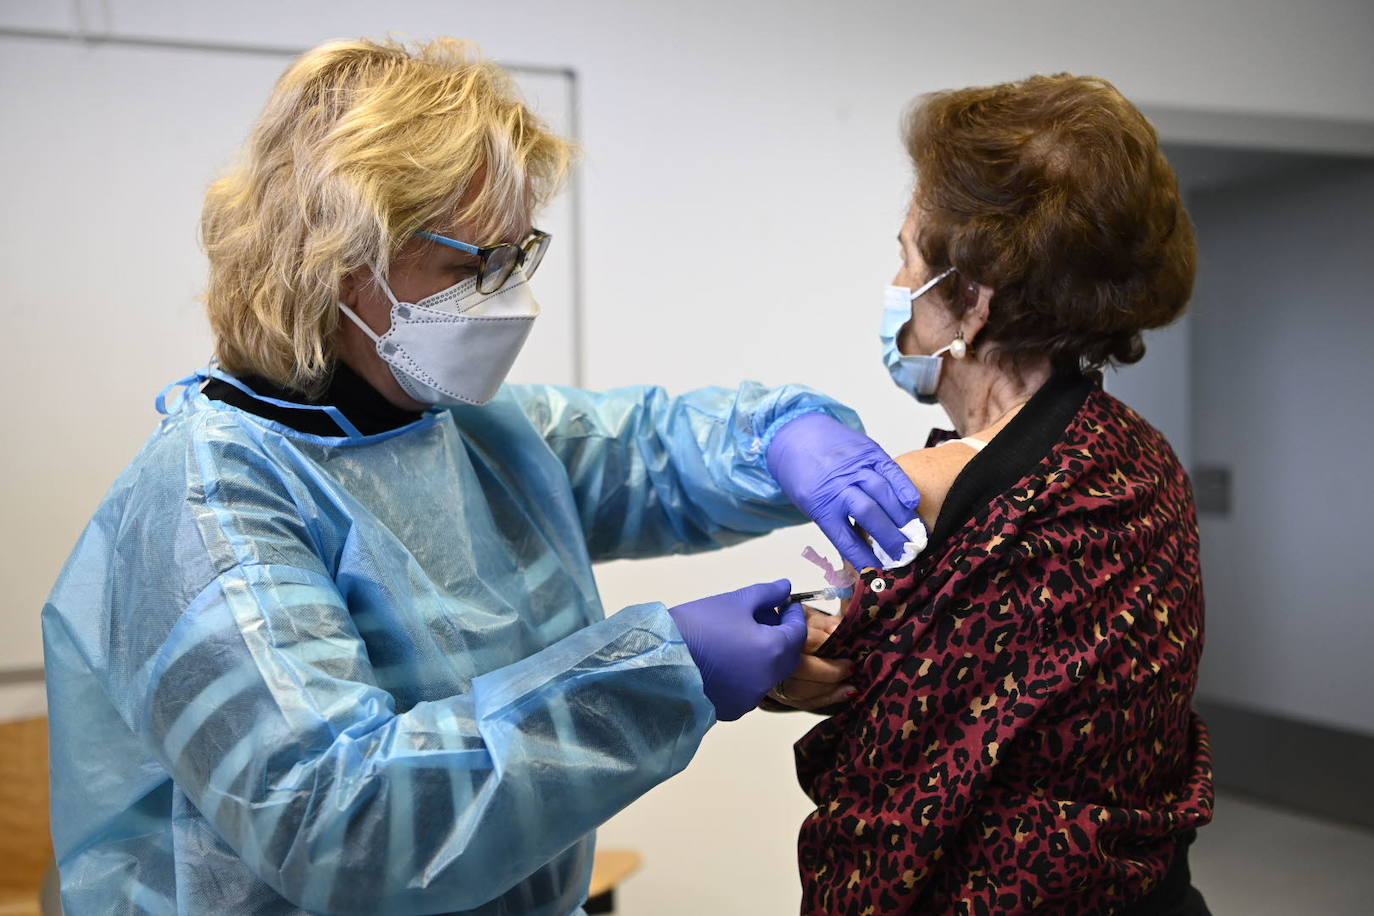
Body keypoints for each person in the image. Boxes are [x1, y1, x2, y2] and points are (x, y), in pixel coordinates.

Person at [40, 38, 913, 915]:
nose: (507, 298)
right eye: (471, 266)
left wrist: (785, 438)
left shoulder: (469, 433)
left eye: (517, 256)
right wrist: (659, 672)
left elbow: (652, 454)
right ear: (339, 253)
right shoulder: (209, 504)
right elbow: (344, 823)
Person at [780, 74, 1214, 914]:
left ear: (970, 301)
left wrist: (780, 667)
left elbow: (854, 699)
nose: (895, 281)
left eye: (907, 255)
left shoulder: (912, 496)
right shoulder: (1144, 458)